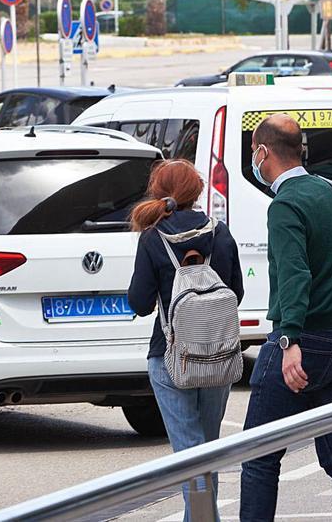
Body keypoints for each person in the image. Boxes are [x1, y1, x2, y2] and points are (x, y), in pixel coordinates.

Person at [239, 114, 332, 520]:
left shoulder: (286, 204)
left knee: (258, 455)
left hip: (303, 340)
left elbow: (295, 273)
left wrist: (288, 340)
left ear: (262, 152)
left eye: (253, 153)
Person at [127, 159, 244, 520]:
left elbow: (141, 303)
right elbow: (235, 292)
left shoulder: (153, 237)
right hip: (219, 354)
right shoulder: (219, 232)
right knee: (205, 451)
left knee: (190, 454)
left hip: (169, 357)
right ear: (197, 191)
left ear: (158, 191)